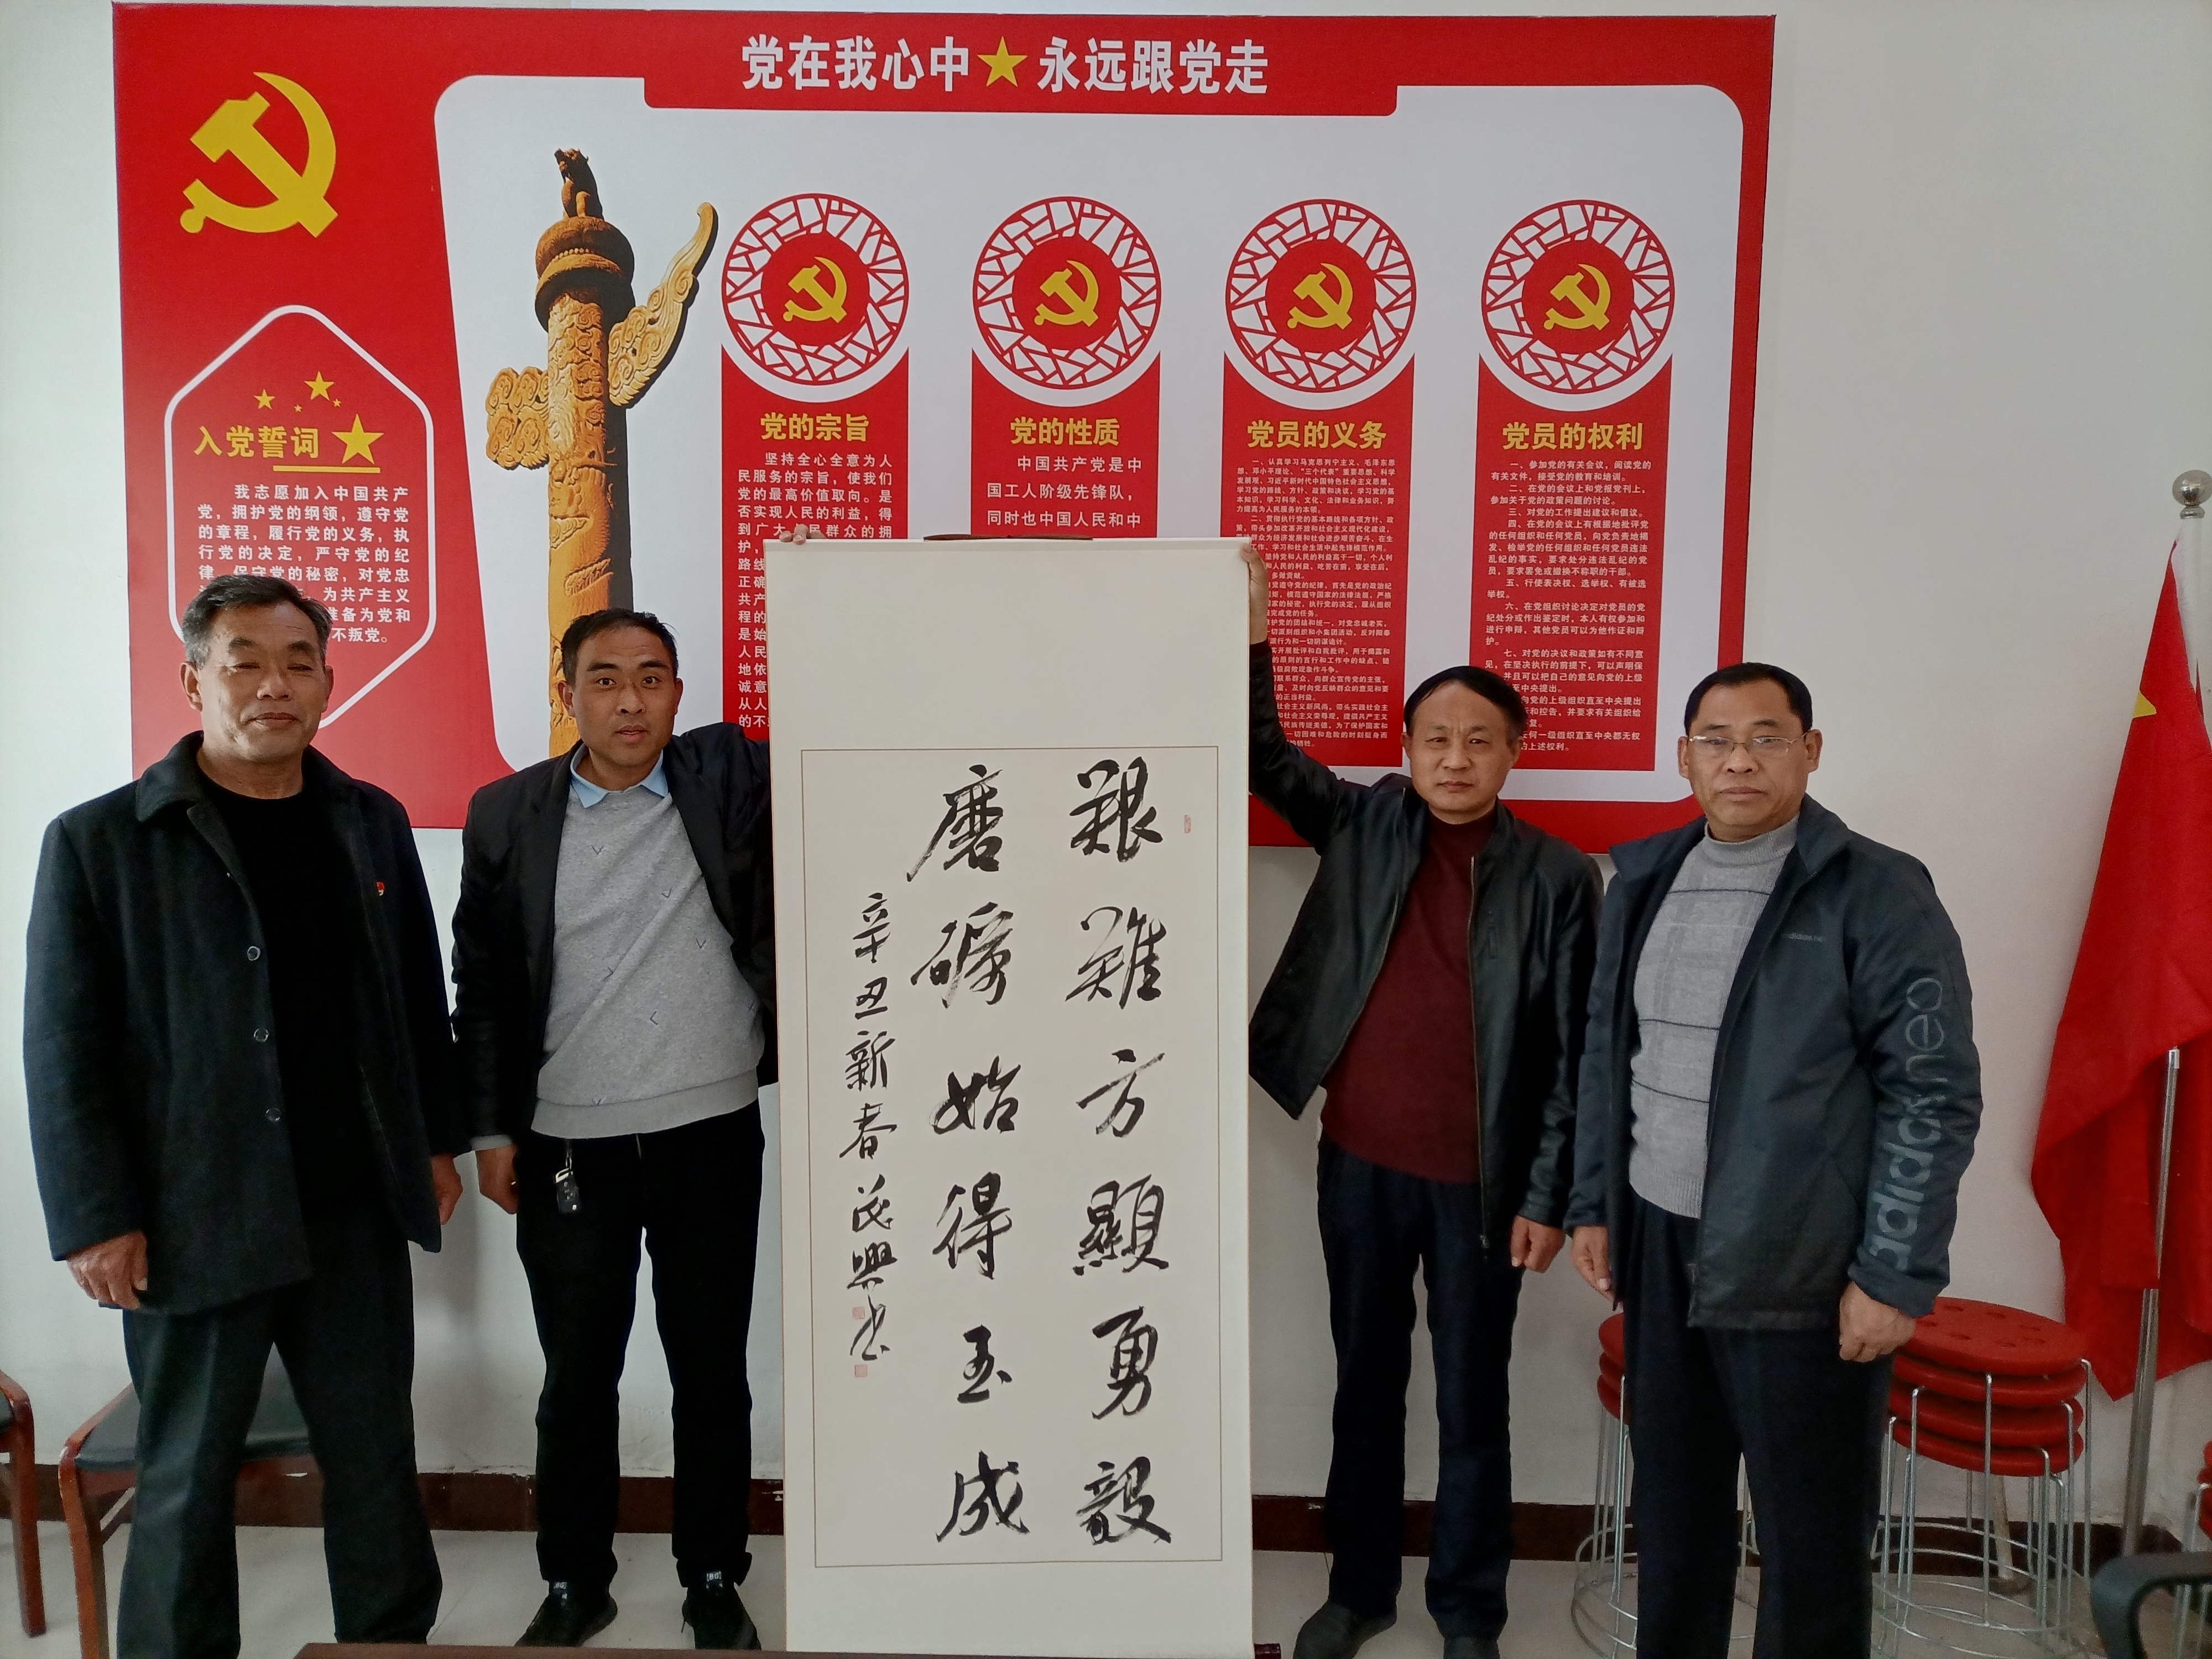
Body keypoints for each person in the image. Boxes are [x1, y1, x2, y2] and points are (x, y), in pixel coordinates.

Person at [25, 574, 463, 1658]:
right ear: (194, 682)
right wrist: (94, 1216)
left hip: (349, 1208)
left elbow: (416, 998)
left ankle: (387, 1645)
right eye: (246, 663)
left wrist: (436, 1142)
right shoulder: (103, 842)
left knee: (374, 1459)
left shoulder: (369, 822)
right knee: (184, 1473)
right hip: (193, 1217)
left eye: (298, 663)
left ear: (328, 681)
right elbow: (64, 1046)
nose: (275, 685)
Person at [1564, 661, 1983, 1658]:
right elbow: (1607, 1053)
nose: (1739, 760)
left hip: (1802, 1258)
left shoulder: (1876, 891)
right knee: (1674, 1512)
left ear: (1810, 751)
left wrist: (1894, 1273)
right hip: (1659, 1246)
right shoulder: (1644, 879)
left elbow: (1932, 1092)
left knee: (1811, 1538)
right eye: (1716, 740)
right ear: (1685, 757)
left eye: (1766, 738)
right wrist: (1594, 1201)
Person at [1241, 543, 1603, 1659]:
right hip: (1357, 1165)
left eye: (1478, 740)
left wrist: (1547, 1194)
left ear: (1513, 753)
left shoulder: (1557, 877)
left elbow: (1574, 1054)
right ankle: (1357, 1592)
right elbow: (1261, 754)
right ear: (1406, 752)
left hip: (1484, 1191)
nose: (1455, 757)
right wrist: (1254, 633)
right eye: (1435, 738)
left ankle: (1468, 1612)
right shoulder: (1364, 825)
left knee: (1471, 1402)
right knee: (1364, 1384)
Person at [452, 608, 772, 1650]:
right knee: (578, 1379)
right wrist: (490, 1132)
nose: (630, 701)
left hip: (711, 1132)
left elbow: (850, 707)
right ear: (567, 694)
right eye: (604, 679)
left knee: (710, 1372)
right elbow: (483, 983)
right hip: (567, 1147)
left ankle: (713, 1574)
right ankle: (573, 1581)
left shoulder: (728, 783)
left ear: (679, 692)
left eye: (651, 677)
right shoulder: (509, 813)